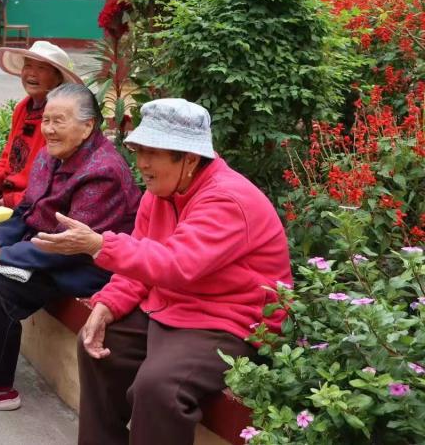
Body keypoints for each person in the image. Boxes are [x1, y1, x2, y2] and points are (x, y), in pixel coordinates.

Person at [30, 98, 293, 445]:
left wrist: (99, 245)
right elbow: (141, 261)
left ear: (190, 158)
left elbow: (176, 264)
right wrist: (108, 304)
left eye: (153, 153)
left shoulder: (227, 199)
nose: (142, 163)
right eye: (140, 151)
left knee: (159, 388)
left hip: (231, 323)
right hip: (173, 307)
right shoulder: (160, 192)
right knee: (97, 344)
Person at [0, 83, 140, 412]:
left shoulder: (103, 172)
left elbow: (70, 244)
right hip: (47, 245)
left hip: (83, 264)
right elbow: (28, 209)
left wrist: (6, 255)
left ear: (87, 126)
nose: (49, 130)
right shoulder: (49, 155)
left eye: (59, 121)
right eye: (46, 120)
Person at [0, 41, 83, 209]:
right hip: (9, 196)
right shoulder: (22, 108)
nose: (32, 73)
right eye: (28, 66)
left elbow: (52, 179)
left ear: (58, 78)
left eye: (41, 68)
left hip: (35, 203)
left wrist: (11, 201)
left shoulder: (58, 117)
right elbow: (9, 155)